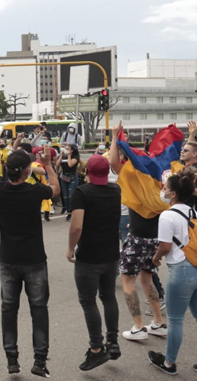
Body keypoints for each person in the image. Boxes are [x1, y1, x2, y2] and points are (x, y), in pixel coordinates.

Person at [0, 148, 60, 377]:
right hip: (34, 258)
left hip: (8, 259)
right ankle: (40, 360)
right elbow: (54, 190)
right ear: (26, 172)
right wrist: (49, 165)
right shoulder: (34, 191)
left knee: (8, 309)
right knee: (39, 309)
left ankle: (12, 360)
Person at [149, 168, 197, 379]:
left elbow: (164, 247)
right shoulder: (193, 212)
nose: (162, 191)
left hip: (182, 272)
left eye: (165, 188)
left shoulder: (167, 215)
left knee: (175, 320)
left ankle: (169, 363)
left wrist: (155, 259)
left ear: (173, 194)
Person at [108, 123, 168, 342]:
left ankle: (139, 326)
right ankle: (159, 323)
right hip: (154, 237)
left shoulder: (135, 177)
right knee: (147, 279)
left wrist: (114, 137)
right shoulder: (160, 178)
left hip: (138, 238)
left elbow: (113, 163)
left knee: (127, 280)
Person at [66, 155, 122, 371]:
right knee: (108, 297)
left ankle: (96, 349)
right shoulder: (115, 190)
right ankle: (113, 341)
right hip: (111, 254)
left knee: (88, 301)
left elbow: (77, 226)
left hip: (89, 256)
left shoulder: (82, 193)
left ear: (86, 172)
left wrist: (71, 247)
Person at [56, 144, 82, 220]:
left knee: (71, 195)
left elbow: (70, 164)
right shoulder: (63, 156)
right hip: (64, 177)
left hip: (72, 176)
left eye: (68, 149)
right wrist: (61, 155)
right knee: (65, 196)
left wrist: (79, 171)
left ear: (72, 150)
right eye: (65, 148)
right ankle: (68, 212)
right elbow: (57, 164)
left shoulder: (75, 157)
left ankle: (73, 212)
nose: (65, 150)